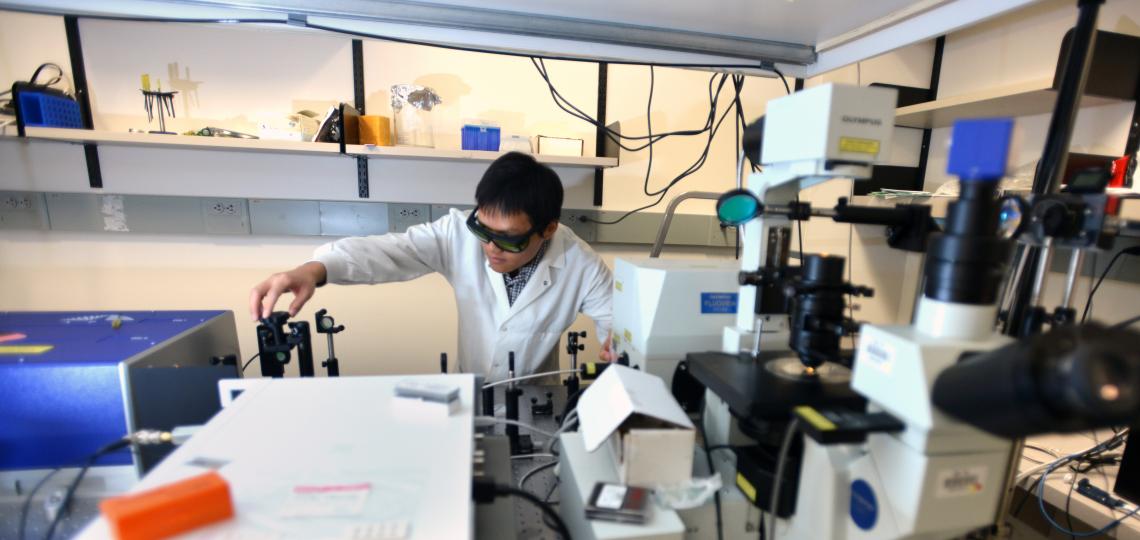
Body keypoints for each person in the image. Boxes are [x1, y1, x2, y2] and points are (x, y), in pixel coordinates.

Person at [249, 152, 614, 380]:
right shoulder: (456, 233)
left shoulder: (579, 263)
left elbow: (618, 322)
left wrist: (619, 342)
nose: (490, 247)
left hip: (535, 402)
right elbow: (390, 251)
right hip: (469, 393)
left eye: (508, 238)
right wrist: (314, 270)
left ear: (548, 229)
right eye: (482, 230)